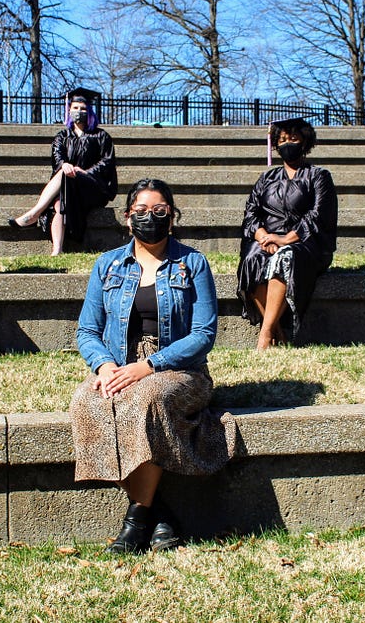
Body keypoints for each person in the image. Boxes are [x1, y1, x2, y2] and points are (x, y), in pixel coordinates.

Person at [71, 178, 237, 554]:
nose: (150, 217)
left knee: (145, 400)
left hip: (180, 370)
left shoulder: (192, 263)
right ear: (127, 219)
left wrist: (150, 365)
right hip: (119, 367)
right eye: (141, 211)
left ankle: (134, 522)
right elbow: (87, 329)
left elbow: (203, 334)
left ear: (172, 217)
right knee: (86, 403)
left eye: (159, 210)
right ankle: (159, 514)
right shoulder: (107, 264)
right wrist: (103, 366)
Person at [236, 117, 338, 350]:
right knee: (251, 260)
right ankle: (277, 332)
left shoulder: (318, 176)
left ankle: (264, 336)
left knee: (286, 257)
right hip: (266, 239)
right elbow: (251, 213)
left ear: (305, 142)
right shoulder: (267, 178)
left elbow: (318, 216)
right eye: (282, 140)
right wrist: (263, 236)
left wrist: (285, 239)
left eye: (293, 138)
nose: (287, 143)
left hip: (305, 243)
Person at [8, 87, 117, 255]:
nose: (79, 111)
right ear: (69, 110)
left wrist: (85, 172)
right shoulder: (62, 137)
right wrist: (65, 165)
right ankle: (57, 250)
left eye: (83, 108)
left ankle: (34, 213)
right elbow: (57, 159)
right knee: (59, 201)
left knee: (66, 177)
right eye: (75, 108)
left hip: (93, 187)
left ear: (89, 111)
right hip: (68, 185)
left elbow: (107, 162)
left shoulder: (101, 136)